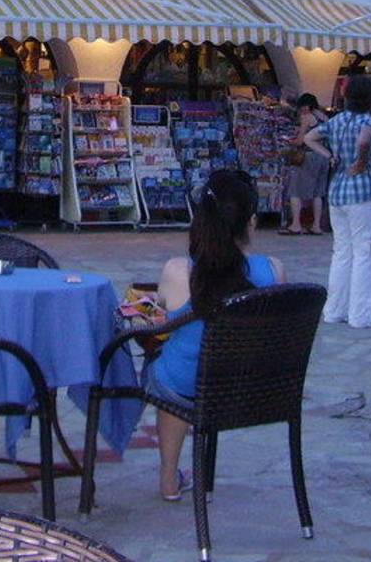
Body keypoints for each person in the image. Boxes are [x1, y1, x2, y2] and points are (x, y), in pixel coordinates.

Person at [144, 169, 283, 501]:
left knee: (169, 367)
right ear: (251, 223)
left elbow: (157, 322)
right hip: (248, 387)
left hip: (188, 385)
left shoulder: (179, 271)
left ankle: (168, 476)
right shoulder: (273, 270)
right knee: (180, 365)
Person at [304, 73, 371, 328]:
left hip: (337, 191)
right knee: (365, 253)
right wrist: (361, 162)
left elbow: (309, 138)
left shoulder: (336, 121)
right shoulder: (368, 120)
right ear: (370, 98)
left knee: (341, 253)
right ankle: (360, 315)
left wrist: (330, 156)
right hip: (361, 191)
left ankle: (334, 310)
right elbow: (364, 140)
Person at [281, 93, 330, 235]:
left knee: (295, 189)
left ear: (307, 106)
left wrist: (289, 141)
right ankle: (316, 226)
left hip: (308, 156)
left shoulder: (307, 117)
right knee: (318, 193)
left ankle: (296, 224)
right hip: (324, 156)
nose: (300, 110)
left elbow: (300, 140)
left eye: (301, 106)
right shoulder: (324, 118)